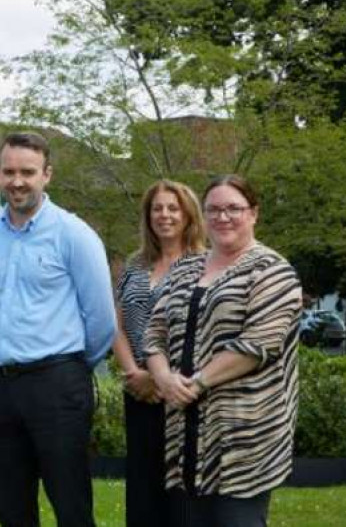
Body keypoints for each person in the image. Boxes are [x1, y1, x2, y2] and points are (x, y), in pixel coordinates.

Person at [0, 132, 116, 527]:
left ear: (46, 175)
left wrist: (69, 369)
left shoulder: (74, 234)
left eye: (28, 172)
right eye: (10, 171)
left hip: (58, 384)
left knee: (71, 506)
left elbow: (100, 318)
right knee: (11, 509)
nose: (18, 181)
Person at [145, 175, 302, 527]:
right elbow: (154, 331)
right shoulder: (185, 268)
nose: (223, 217)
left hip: (244, 437)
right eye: (213, 209)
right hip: (183, 433)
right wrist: (163, 378)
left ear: (254, 213)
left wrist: (196, 384)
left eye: (234, 208)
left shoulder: (272, 271)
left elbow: (257, 345)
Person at [111, 181, 206, 527]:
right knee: (142, 486)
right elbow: (115, 325)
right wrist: (134, 374)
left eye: (172, 208)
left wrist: (162, 378)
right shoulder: (135, 266)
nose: (164, 215)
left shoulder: (203, 266)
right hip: (138, 391)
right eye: (157, 208)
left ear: (188, 215)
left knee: (179, 490)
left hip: (181, 392)